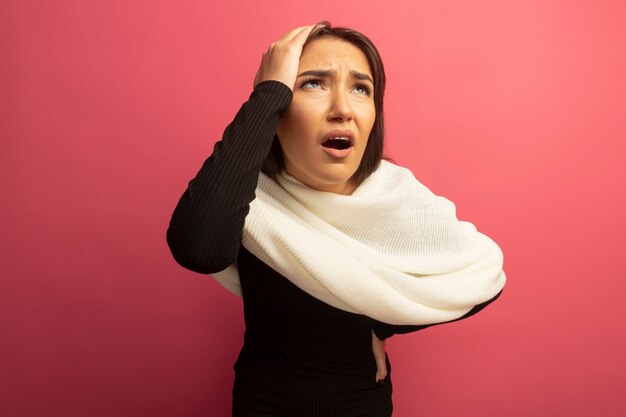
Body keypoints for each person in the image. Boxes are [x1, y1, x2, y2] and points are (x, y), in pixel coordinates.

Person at [166, 22, 506, 417]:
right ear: (278, 109)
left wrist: (385, 326)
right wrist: (267, 92)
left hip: (361, 405)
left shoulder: (396, 198)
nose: (343, 109)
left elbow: (484, 275)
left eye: (361, 88)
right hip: (261, 404)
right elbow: (198, 248)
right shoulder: (245, 195)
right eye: (313, 83)